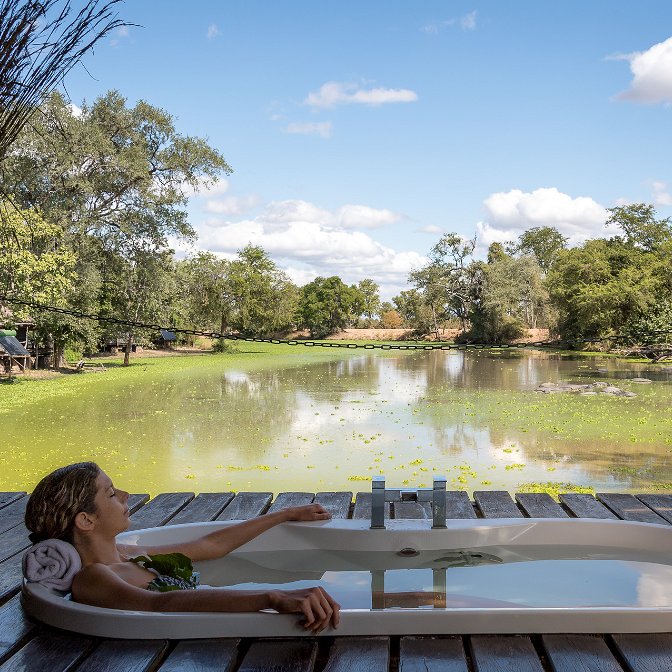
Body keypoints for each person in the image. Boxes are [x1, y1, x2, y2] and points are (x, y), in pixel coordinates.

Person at [24, 462, 340, 633]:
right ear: (86, 520)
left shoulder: (129, 556)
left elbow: (209, 545)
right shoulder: (93, 577)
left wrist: (282, 515)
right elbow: (159, 605)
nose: (125, 493)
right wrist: (272, 597)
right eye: (110, 493)